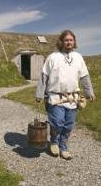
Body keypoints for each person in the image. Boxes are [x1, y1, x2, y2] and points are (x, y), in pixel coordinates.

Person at [35, 30, 95, 160]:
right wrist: (40, 93)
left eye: (71, 40)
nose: (69, 42)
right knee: (57, 122)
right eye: (66, 40)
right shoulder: (53, 57)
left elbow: (84, 76)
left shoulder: (78, 57)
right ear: (61, 42)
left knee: (69, 124)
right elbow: (44, 76)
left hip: (73, 98)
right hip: (55, 97)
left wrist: (89, 92)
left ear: (74, 42)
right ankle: (54, 142)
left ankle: (63, 146)